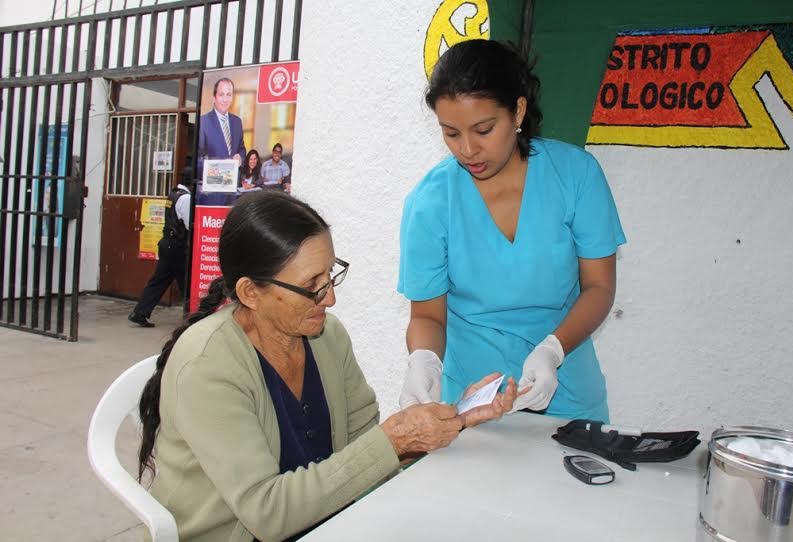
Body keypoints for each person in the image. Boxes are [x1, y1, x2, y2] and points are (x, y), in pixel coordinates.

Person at [137, 191, 517, 542]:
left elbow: (367, 451)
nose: (330, 298)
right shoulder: (208, 366)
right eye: (312, 285)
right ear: (250, 292)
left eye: (331, 275)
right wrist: (395, 439)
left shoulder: (326, 337)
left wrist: (451, 420)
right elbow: (267, 514)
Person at [397, 39, 626, 423]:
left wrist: (553, 350)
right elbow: (428, 317)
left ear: (517, 111)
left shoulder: (576, 176)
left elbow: (599, 287)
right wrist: (423, 363)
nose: (468, 149)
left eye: (483, 130)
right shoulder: (430, 202)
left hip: (565, 388)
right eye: (451, 133)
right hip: (474, 399)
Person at [128, 169, 192, 327]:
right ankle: (192, 319)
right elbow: (188, 224)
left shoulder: (174, 193)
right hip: (177, 246)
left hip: (167, 244)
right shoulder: (186, 198)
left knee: (158, 281)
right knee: (187, 284)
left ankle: (139, 313)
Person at [197, 77, 247, 177]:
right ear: (214, 98)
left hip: (233, 184)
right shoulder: (203, 121)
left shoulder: (237, 122)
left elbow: (241, 149)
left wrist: (240, 157)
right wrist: (216, 168)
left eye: (228, 95)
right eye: (221, 95)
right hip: (213, 183)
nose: (225, 99)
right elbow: (198, 157)